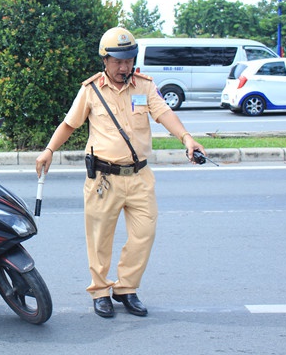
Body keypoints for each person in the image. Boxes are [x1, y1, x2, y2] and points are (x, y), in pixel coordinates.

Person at [35, 27, 206, 319]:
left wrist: (187, 138)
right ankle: (100, 291)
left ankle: (126, 288)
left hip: (140, 177)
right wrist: (49, 150)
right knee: (100, 238)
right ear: (105, 60)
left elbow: (164, 114)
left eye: (128, 60)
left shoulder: (144, 86)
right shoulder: (90, 90)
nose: (123, 67)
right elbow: (69, 124)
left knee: (144, 234)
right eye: (117, 60)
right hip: (104, 179)